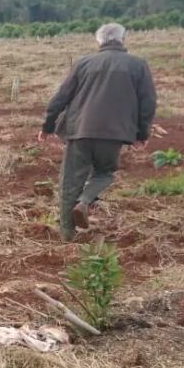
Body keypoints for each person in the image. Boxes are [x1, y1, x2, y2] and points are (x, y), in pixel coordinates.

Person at [39, 22, 157, 241]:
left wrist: (48, 126)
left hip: (79, 131)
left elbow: (61, 97)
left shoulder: (84, 63)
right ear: (123, 39)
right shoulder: (138, 65)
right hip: (115, 133)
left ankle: (66, 233)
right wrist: (142, 134)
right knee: (105, 173)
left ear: (99, 41)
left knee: (70, 181)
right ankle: (85, 200)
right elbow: (148, 102)